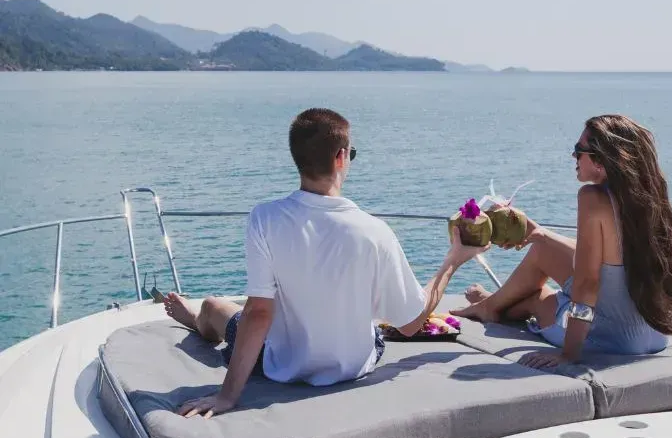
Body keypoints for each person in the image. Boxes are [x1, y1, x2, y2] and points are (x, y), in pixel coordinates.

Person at [165, 108, 487, 417]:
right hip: (353, 366)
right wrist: (452, 261)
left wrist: (227, 396)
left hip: (279, 365)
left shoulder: (264, 219)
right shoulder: (375, 232)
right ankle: (198, 318)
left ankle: (197, 320)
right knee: (369, 320)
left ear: (298, 159)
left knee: (213, 307)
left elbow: (259, 313)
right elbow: (411, 322)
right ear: (341, 158)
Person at [452, 114, 672, 368]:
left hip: (611, 338)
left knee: (538, 297)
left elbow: (588, 282)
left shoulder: (591, 198)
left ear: (601, 159)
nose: (573, 157)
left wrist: (569, 354)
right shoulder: (649, 198)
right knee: (541, 248)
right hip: (653, 335)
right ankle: (491, 304)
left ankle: (493, 306)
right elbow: (610, 258)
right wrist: (541, 233)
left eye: (579, 151)